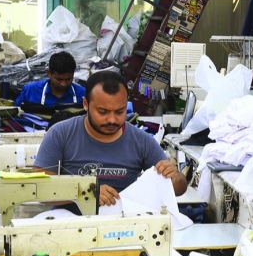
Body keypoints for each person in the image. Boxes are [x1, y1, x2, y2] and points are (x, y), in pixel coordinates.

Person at [34, 71, 186, 207]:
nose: (112, 119)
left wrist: (174, 177)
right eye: (103, 112)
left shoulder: (142, 140)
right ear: (86, 104)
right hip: (70, 224)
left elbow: (179, 190)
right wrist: (86, 193)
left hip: (124, 224)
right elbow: (39, 189)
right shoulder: (60, 134)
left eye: (120, 111)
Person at [15, 51, 85, 106]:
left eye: (68, 79)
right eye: (59, 79)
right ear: (49, 73)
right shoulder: (31, 91)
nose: (63, 84)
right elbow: (16, 115)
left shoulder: (82, 94)